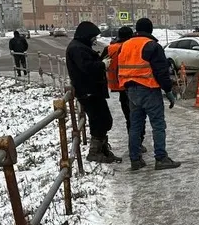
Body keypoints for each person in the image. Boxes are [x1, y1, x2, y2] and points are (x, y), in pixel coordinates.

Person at [118, 18, 181, 171]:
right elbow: (161, 72)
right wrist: (168, 91)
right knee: (158, 125)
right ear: (150, 30)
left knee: (135, 126)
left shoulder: (125, 45)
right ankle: (161, 158)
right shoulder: (152, 46)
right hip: (149, 90)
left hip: (130, 91)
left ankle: (135, 160)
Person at [66, 21, 122, 163]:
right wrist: (102, 64)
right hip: (88, 91)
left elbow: (88, 64)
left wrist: (101, 61)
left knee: (104, 120)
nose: (95, 40)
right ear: (86, 35)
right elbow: (87, 67)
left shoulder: (80, 46)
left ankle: (102, 149)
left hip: (92, 90)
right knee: (99, 120)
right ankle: (95, 152)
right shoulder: (77, 48)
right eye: (93, 37)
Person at [104, 26, 146, 154]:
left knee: (129, 117)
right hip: (134, 86)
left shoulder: (110, 48)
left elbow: (102, 64)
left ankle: (133, 142)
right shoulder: (131, 47)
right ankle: (137, 143)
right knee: (138, 117)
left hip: (120, 87)